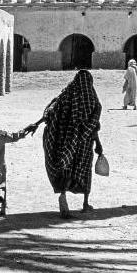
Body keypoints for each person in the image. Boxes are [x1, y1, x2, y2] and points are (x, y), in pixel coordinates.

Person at [26, 70, 103, 218]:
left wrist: (36, 124)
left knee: (66, 168)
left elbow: (50, 113)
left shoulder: (65, 96)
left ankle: (63, 196)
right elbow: (94, 125)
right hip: (84, 143)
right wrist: (98, 144)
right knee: (83, 169)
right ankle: (85, 203)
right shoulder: (93, 100)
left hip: (66, 141)